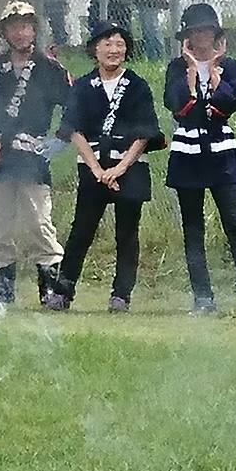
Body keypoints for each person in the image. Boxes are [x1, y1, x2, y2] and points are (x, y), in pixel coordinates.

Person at [51, 19, 158, 311]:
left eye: (120, 44)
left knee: (127, 232)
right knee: (81, 229)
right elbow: (73, 129)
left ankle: (121, 295)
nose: (114, 50)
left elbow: (145, 132)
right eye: (107, 43)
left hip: (130, 167)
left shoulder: (137, 85)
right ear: (94, 49)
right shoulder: (83, 86)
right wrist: (97, 169)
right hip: (93, 167)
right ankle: (63, 291)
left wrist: (119, 168)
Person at [161, 0, 236, 315]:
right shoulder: (176, 68)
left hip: (221, 151)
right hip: (187, 152)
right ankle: (202, 294)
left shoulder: (232, 67)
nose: (201, 36)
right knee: (193, 227)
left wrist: (214, 73)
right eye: (195, 31)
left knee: (235, 220)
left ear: (216, 34)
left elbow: (228, 104)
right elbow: (178, 107)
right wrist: (191, 73)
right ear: (187, 36)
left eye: (207, 30)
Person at [0, 0, 69, 309]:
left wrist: (58, 140)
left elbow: (73, 107)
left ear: (34, 30)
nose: (20, 33)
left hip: (32, 156)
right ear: (5, 32)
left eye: (26, 26)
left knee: (39, 222)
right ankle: (4, 291)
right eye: (14, 27)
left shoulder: (50, 68)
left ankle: (50, 289)